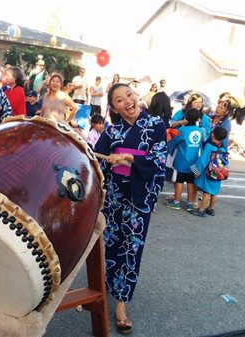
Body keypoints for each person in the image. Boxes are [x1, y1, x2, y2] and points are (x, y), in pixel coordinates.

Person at [94, 83, 167, 334]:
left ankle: (121, 305)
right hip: (116, 198)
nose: (127, 101)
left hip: (140, 199)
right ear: (113, 107)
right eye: (118, 99)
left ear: (136, 97)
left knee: (132, 250)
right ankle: (104, 290)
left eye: (129, 95)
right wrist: (108, 160)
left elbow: (158, 160)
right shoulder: (112, 130)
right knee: (113, 246)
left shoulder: (156, 125)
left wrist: (131, 158)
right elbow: (96, 161)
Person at [164, 108, 204, 212]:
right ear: (198, 119)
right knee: (190, 183)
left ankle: (176, 202)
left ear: (185, 118)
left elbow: (173, 143)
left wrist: (169, 152)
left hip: (181, 162)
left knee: (179, 181)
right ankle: (190, 203)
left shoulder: (181, 130)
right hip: (194, 162)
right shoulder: (200, 131)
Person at [190, 126, 228, 217]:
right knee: (214, 193)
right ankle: (211, 209)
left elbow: (203, 161)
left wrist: (196, 171)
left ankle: (201, 210)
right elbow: (225, 163)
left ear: (212, 134)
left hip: (209, 173)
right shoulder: (223, 149)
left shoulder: (209, 147)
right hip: (218, 174)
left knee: (206, 192)